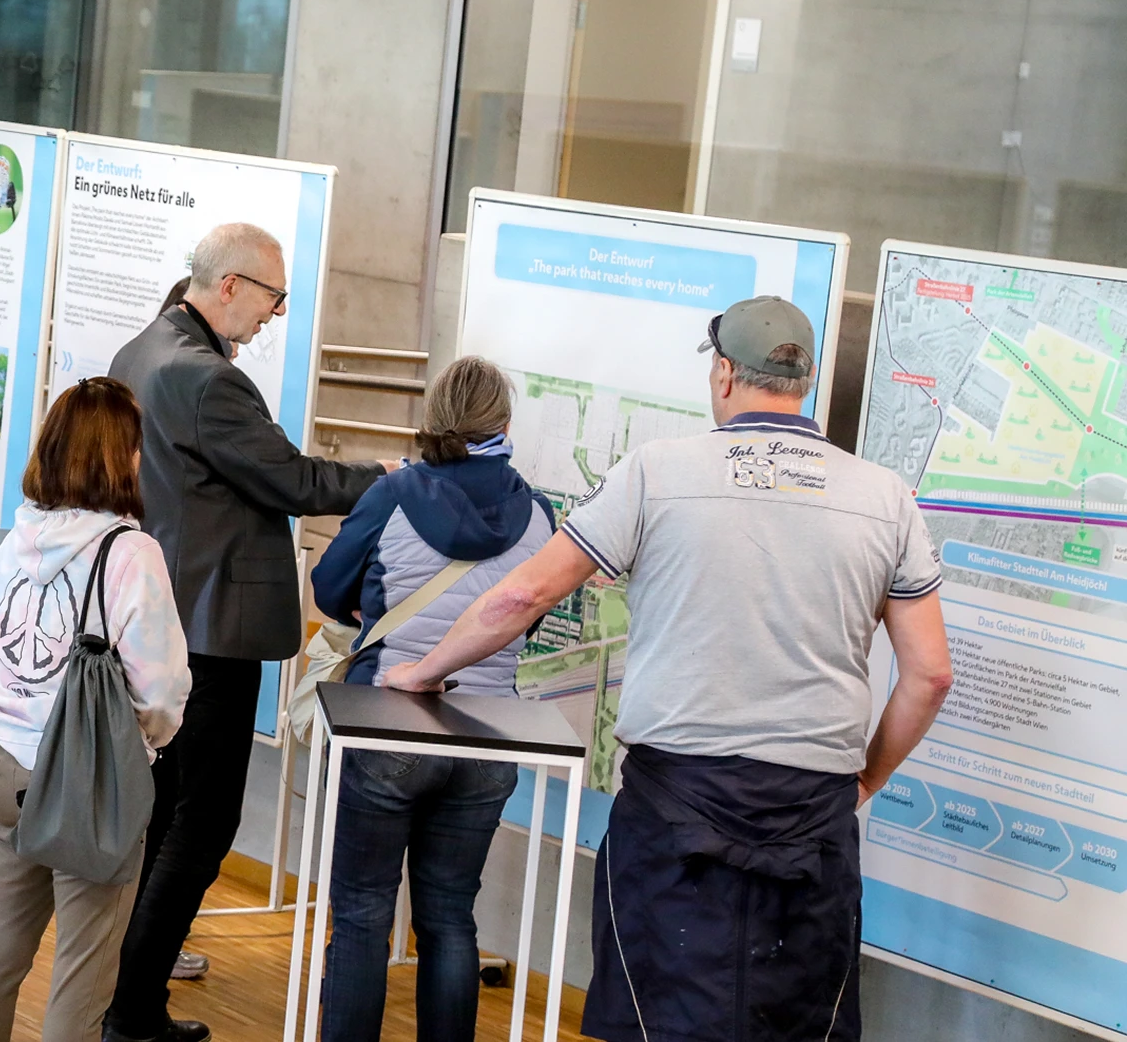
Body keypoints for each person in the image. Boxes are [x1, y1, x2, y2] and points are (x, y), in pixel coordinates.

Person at [382, 297, 956, 1042]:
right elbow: (930, 674)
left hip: (675, 804)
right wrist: (867, 781)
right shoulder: (885, 499)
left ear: (723, 373)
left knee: (661, 1018)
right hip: (813, 814)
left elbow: (523, 595)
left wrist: (425, 672)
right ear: (803, 383)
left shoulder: (657, 472)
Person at [102, 223, 388, 1042]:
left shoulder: (142, 350)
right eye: (272, 298)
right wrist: (389, 482)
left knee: (161, 813)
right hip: (211, 631)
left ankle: (123, 992)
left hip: (158, 618)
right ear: (228, 285)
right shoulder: (207, 381)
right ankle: (133, 1006)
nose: (275, 314)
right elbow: (292, 478)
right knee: (204, 820)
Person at [305, 356, 554, 1042]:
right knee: (449, 917)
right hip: (485, 734)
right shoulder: (539, 513)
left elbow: (330, 590)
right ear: (502, 424)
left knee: (360, 913)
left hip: (385, 726)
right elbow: (524, 619)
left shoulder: (394, 493)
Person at [0, 376, 192, 1042]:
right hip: (91, 781)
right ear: (119, 457)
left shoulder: (20, 538)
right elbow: (161, 688)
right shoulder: (131, 554)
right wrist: (144, 746)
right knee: (84, 973)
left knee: (0, 950)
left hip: (7, 761)